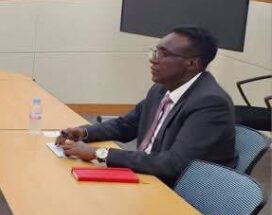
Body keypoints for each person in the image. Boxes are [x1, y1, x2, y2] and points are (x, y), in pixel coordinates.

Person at [56, 26, 235, 186]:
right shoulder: (161, 89)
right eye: (155, 52)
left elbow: (173, 163)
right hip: (146, 175)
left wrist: (100, 154)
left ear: (192, 63)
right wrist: (84, 132)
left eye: (164, 54)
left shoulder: (210, 103)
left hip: (176, 190)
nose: (153, 60)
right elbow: (125, 125)